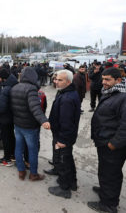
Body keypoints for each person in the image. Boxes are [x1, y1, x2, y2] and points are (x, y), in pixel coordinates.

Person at [88, 67, 126, 213]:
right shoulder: (111, 93)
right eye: (103, 79)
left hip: (113, 145)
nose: (103, 82)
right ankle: (105, 191)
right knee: (105, 171)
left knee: (111, 173)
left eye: (107, 79)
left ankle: (108, 205)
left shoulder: (123, 97)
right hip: (104, 141)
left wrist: (114, 143)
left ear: (118, 80)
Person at [10, 67, 50, 181]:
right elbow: (35, 108)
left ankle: (21, 172)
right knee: (32, 151)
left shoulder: (15, 87)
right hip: (30, 127)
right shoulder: (31, 89)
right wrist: (43, 120)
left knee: (19, 148)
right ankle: (33, 174)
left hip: (18, 125)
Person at [46, 70, 81, 199]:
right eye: (56, 79)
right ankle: (72, 182)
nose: (56, 81)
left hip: (63, 136)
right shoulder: (66, 92)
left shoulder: (67, 98)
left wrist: (62, 140)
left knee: (63, 161)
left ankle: (64, 188)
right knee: (67, 159)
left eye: (60, 80)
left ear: (68, 82)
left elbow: (66, 122)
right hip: (63, 134)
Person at [0, 68, 18, 166]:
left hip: (5, 118)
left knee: (6, 138)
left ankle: (6, 159)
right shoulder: (13, 83)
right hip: (12, 116)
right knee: (11, 136)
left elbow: (3, 107)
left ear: (3, 78)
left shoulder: (6, 88)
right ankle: (13, 155)